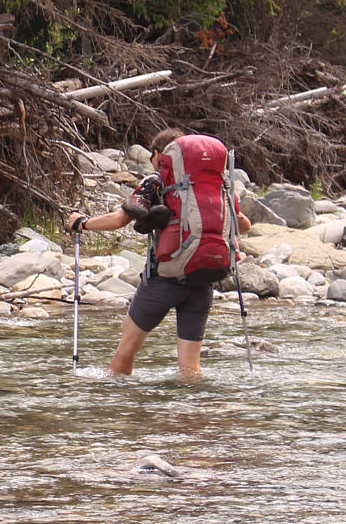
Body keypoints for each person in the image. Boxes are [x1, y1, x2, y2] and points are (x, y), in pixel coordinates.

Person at [68, 129, 251, 378]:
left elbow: (120, 219)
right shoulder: (215, 183)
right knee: (190, 368)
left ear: (158, 155)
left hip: (164, 279)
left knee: (127, 350)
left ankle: (116, 405)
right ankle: (192, 413)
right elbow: (245, 225)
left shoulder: (157, 180)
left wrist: (83, 223)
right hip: (203, 279)